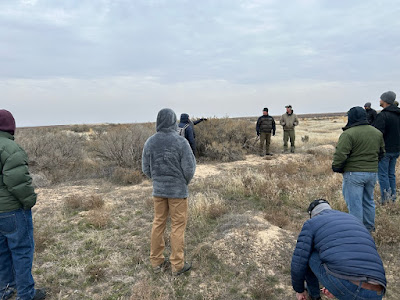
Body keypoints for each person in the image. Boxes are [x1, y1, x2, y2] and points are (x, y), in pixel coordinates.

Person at [291, 199, 386, 300]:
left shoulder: (312, 223)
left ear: (312, 214)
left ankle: (314, 296)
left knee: (309, 253)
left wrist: (299, 290)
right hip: (378, 289)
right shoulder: (353, 219)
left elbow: (299, 263)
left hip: (349, 285)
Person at [142, 108, 196, 276]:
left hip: (159, 191)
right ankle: (177, 265)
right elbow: (190, 168)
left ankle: (156, 261)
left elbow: (146, 168)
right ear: (173, 121)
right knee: (177, 226)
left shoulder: (150, 142)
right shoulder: (181, 142)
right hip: (178, 192)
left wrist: (157, 179)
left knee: (158, 223)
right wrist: (183, 182)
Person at [0, 110, 47, 300]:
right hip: (12, 211)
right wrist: (29, 201)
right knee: (21, 251)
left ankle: (5, 289)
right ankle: (26, 294)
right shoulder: (11, 149)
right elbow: (18, 182)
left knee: (2, 252)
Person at [332, 107, 384, 232]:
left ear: (351, 117)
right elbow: (382, 152)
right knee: (368, 201)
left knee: (355, 205)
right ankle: (369, 229)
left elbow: (340, 154)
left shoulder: (348, 133)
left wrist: (337, 167)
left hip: (353, 174)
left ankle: (357, 232)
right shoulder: (377, 132)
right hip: (372, 173)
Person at [374, 91, 400, 204]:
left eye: (381, 99)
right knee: (391, 174)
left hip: (385, 151)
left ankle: (386, 200)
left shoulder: (383, 115)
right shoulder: (398, 114)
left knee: (383, 175)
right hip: (396, 149)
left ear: (385, 101)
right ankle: (392, 198)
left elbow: (376, 133)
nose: (379, 101)